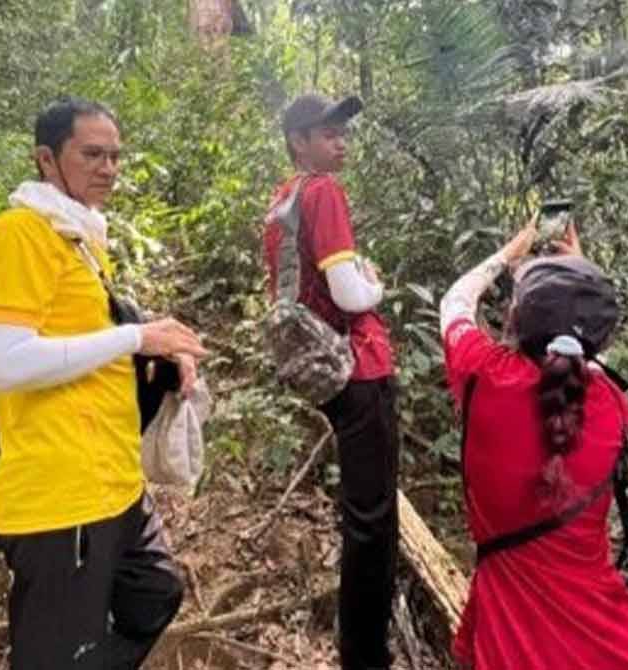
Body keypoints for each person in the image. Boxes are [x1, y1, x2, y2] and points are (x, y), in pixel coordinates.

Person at [0, 98, 207, 670]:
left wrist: (161, 363)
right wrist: (136, 340)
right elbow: (2, 364)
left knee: (156, 592)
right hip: (60, 499)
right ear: (47, 159)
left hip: (115, 483)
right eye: (92, 154)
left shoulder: (80, 239)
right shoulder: (20, 233)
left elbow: (86, 348)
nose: (108, 168)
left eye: (115, 156)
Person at [438, 216, 628, 670]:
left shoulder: (483, 378)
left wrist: (508, 255)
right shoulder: (613, 407)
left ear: (513, 319)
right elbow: (586, 354)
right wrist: (580, 276)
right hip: (607, 635)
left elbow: (455, 302)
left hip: (513, 636)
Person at [263, 93, 399, 670]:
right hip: (359, 365)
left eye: (344, 132)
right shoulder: (324, 192)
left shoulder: (283, 199)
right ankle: (364, 657)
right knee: (372, 523)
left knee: (362, 515)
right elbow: (349, 294)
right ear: (299, 141)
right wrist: (376, 287)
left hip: (327, 371)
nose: (341, 141)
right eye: (327, 132)